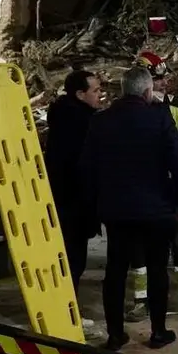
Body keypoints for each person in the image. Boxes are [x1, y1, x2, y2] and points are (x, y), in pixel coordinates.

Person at [80, 68, 178, 351]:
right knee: (157, 270)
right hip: (157, 209)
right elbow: (177, 165)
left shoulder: (101, 121)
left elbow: (87, 169)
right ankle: (158, 331)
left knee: (116, 271)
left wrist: (96, 206)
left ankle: (116, 335)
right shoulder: (159, 118)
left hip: (117, 210)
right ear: (146, 91)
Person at [129, 51, 178, 322]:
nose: (163, 83)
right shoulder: (126, 111)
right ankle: (141, 301)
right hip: (141, 193)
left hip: (171, 191)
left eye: (164, 77)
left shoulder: (176, 110)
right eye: (157, 78)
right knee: (138, 251)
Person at [45, 70, 102, 295]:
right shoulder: (82, 122)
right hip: (74, 201)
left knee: (69, 256)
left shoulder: (64, 115)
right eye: (96, 90)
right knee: (72, 257)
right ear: (80, 94)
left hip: (67, 198)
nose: (100, 95)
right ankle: (68, 305)